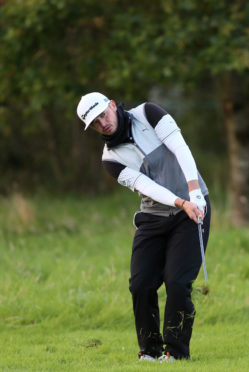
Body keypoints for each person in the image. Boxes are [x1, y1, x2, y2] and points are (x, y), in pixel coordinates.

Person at [76, 92, 211, 362]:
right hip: (154, 216)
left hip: (194, 209)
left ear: (112, 106)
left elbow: (180, 147)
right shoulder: (110, 159)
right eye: (95, 123)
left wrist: (193, 193)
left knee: (177, 283)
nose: (103, 123)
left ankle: (175, 353)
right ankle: (149, 352)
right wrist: (179, 201)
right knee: (141, 284)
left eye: (103, 115)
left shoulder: (149, 113)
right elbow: (146, 187)